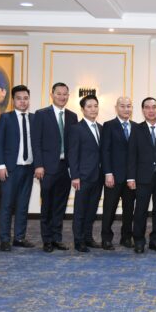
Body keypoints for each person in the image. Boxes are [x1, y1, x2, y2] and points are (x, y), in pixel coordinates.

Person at [32, 82, 78, 252]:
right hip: (47, 168)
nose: (62, 97)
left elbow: (74, 144)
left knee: (60, 205)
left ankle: (57, 238)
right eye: (59, 94)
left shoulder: (72, 116)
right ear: (52, 95)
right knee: (47, 205)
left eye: (65, 94)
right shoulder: (41, 114)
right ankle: (47, 240)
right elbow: (36, 142)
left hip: (65, 167)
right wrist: (38, 165)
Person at [127, 97, 156, 254]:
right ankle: (139, 241)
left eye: (154, 107)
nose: (151, 110)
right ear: (143, 110)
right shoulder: (136, 129)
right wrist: (131, 177)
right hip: (142, 177)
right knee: (140, 210)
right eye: (147, 107)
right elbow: (131, 154)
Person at [0, 85, 35, 251]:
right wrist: (1, 165)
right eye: (19, 98)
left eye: (25, 98)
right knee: (7, 205)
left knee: (23, 204)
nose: (23, 101)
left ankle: (19, 237)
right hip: (10, 169)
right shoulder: (5, 118)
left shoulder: (34, 118)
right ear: (13, 100)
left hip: (29, 168)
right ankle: (4, 239)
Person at [68, 95, 103, 252]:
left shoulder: (101, 128)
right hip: (82, 177)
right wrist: (75, 176)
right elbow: (72, 154)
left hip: (98, 176)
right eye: (89, 106)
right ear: (82, 109)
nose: (93, 109)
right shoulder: (76, 129)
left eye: (95, 106)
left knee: (92, 210)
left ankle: (88, 238)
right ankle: (79, 240)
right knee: (80, 211)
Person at [100, 97, 136, 250]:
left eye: (129, 106)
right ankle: (106, 239)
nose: (126, 109)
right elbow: (105, 151)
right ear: (116, 108)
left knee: (129, 210)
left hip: (131, 178)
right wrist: (108, 173)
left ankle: (126, 237)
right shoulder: (109, 125)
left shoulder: (136, 127)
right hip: (113, 176)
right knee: (109, 209)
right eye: (123, 106)